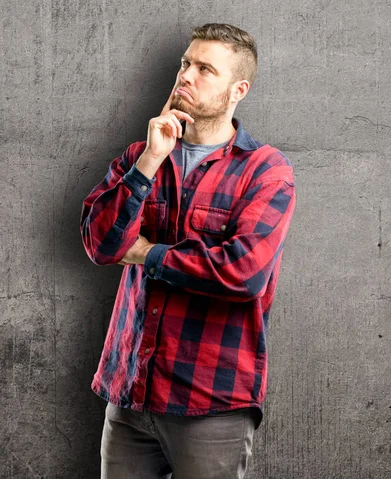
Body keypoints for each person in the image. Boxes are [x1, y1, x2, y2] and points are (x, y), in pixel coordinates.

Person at [79, 23, 296, 479]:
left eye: (204, 69)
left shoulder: (265, 171)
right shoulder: (140, 156)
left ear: (238, 89)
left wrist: (146, 254)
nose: (186, 76)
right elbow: (100, 245)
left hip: (210, 404)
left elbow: (242, 273)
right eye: (185, 63)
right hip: (129, 395)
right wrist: (149, 161)